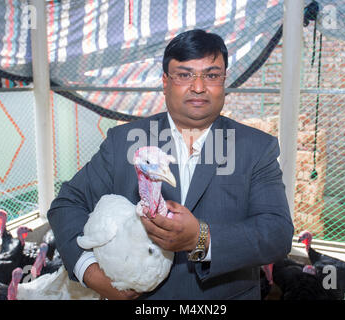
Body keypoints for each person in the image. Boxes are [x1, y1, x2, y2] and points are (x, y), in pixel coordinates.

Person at [47, 29, 294, 300]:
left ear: (224, 81)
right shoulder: (124, 143)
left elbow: (277, 233)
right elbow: (67, 204)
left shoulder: (255, 148)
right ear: (165, 82)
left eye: (211, 75)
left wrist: (201, 239)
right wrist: (91, 273)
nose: (198, 87)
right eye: (184, 74)